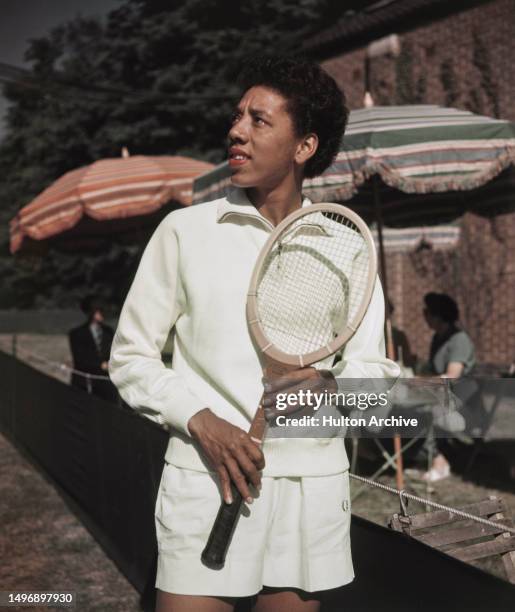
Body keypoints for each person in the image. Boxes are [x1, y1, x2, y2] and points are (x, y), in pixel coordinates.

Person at [109, 56, 399, 612]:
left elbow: (378, 380)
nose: (236, 130)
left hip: (308, 490)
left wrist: (328, 393)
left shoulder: (345, 247)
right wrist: (199, 419)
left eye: (259, 120)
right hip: (204, 482)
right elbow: (130, 358)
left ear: (304, 146)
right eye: (238, 115)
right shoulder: (185, 231)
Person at [420, 292, 476, 481]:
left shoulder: (459, 340)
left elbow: (452, 376)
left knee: (423, 408)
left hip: (463, 407)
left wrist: (420, 382)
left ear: (438, 315)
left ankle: (439, 461)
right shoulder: (438, 338)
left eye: (426, 312)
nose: (424, 316)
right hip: (443, 398)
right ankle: (418, 457)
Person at [68, 295, 117, 402]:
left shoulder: (109, 332)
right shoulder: (77, 334)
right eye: (99, 310)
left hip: (105, 384)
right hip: (84, 384)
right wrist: (101, 365)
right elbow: (80, 359)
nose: (103, 313)